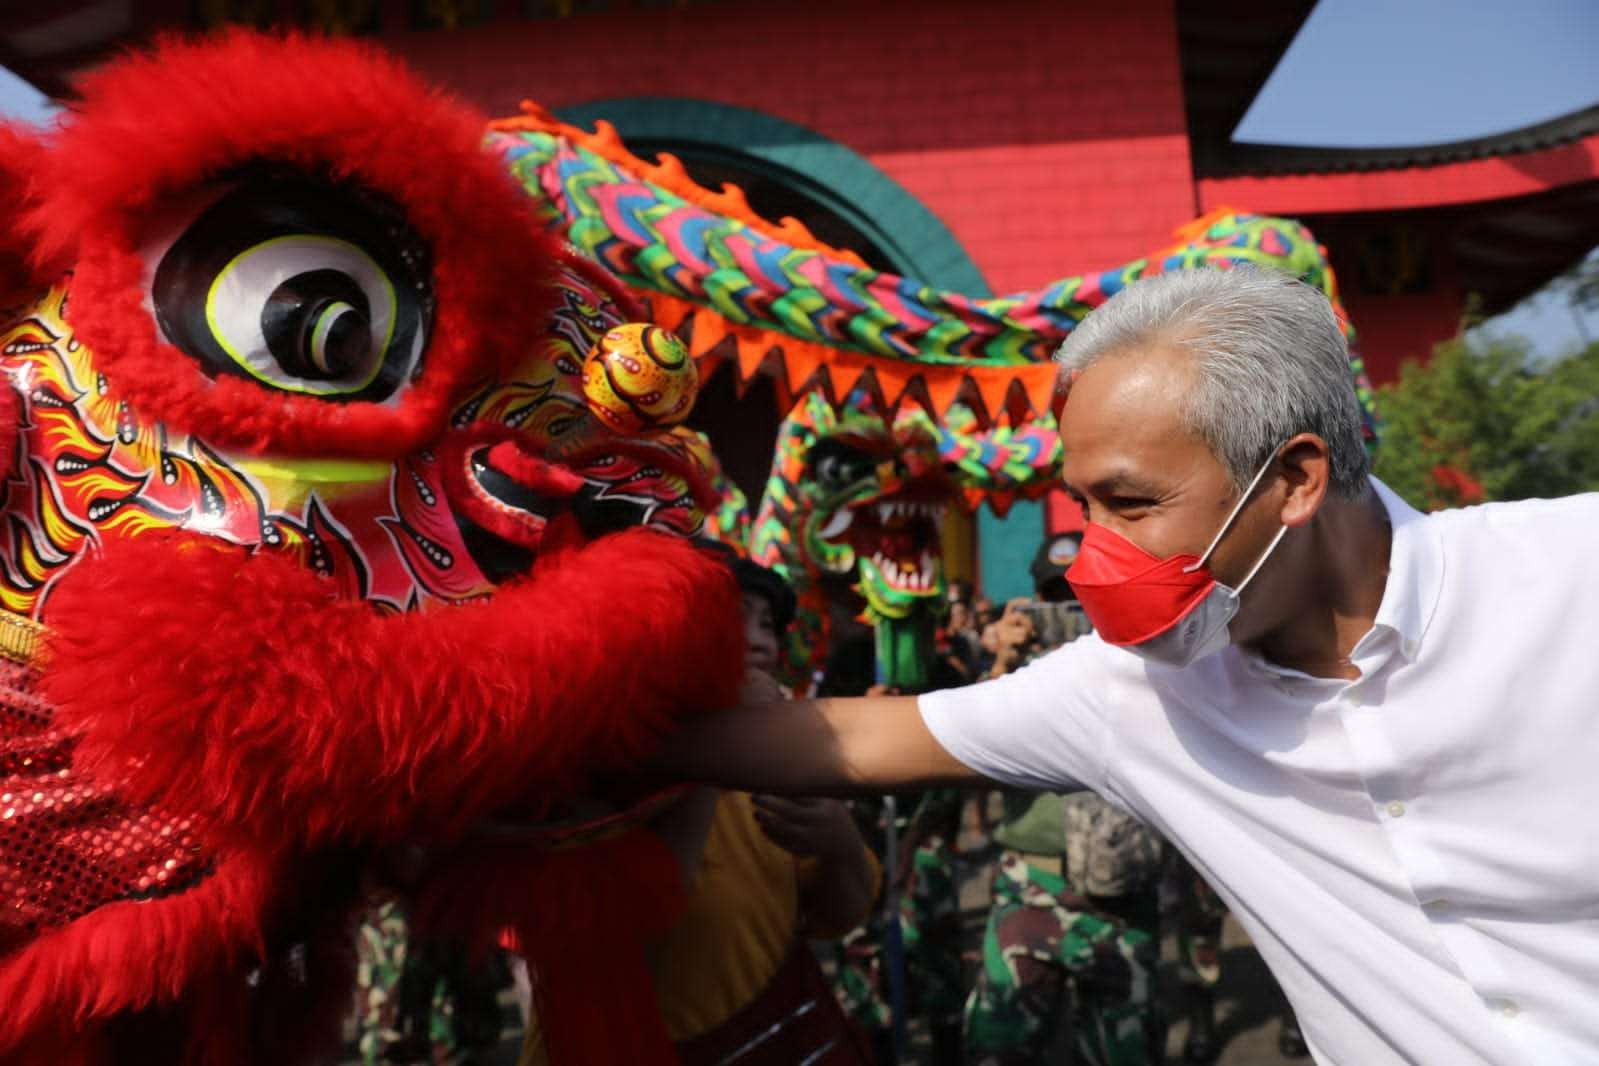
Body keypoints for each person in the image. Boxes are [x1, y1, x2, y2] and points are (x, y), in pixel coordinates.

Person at [655, 267, 1599, 1065]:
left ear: (1295, 479)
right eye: (1082, 506)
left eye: (1131, 503)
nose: (1088, 554)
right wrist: (553, 705)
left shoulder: (1569, 575)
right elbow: (857, 738)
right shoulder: (1127, 691)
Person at [519, 553, 879, 1066]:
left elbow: (834, 917)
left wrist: (840, 846)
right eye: (735, 617)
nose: (760, 641)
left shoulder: (774, 761)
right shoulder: (597, 757)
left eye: (767, 625)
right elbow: (633, 928)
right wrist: (714, 755)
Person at [964, 545, 1164, 1066]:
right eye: (1056, 599)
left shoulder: (1144, 665)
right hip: (1032, 886)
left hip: (1119, 897)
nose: (1070, 613)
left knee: (1120, 1052)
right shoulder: (1016, 679)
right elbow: (976, 749)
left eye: (1083, 598)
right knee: (998, 1046)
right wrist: (1004, 661)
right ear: (1032, 604)